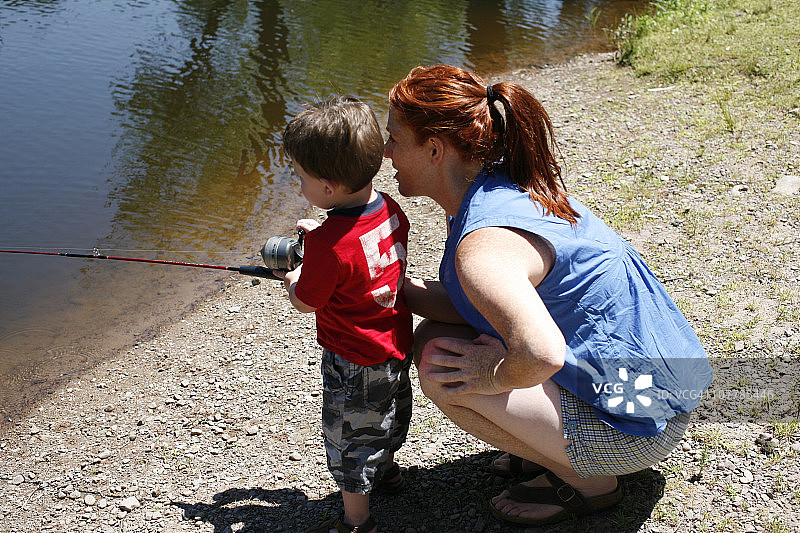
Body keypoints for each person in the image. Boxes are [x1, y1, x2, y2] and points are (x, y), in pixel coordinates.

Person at [383, 65, 713, 527]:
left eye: (394, 138)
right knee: (443, 334)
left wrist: (493, 375)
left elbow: (540, 353)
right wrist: (383, 288)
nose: (385, 151)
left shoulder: (483, 245)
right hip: (666, 388)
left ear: (434, 149)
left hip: (642, 427)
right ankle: (558, 446)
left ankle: (588, 481)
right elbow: (470, 304)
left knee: (441, 362)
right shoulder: (507, 186)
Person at [277, 95, 414, 533]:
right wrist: (321, 240)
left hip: (352, 358)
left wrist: (291, 275)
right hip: (394, 343)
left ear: (328, 187)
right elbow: (356, 248)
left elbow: (306, 300)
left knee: (349, 438)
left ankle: (358, 521)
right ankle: (388, 472)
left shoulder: (327, 246)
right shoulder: (389, 208)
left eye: (301, 179)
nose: (299, 186)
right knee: (388, 414)